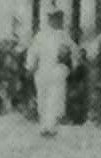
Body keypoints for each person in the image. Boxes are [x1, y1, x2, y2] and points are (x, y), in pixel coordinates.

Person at [23, 9, 74, 137]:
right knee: (47, 99)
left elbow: (32, 53)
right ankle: (47, 127)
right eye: (55, 18)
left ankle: (48, 127)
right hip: (48, 71)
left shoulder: (48, 35)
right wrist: (30, 67)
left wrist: (30, 67)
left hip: (50, 71)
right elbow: (33, 53)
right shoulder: (58, 35)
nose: (57, 21)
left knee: (50, 99)